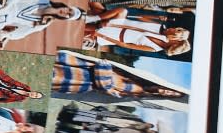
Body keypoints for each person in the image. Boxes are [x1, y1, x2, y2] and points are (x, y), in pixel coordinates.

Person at [53, 51, 188, 103]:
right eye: (171, 90)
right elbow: (111, 68)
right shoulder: (143, 79)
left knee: (54, 78)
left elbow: (109, 91)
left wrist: (104, 72)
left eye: (171, 95)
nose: (168, 92)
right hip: (85, 69)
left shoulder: (140, 94)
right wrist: (105, 71)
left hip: (85, 83)